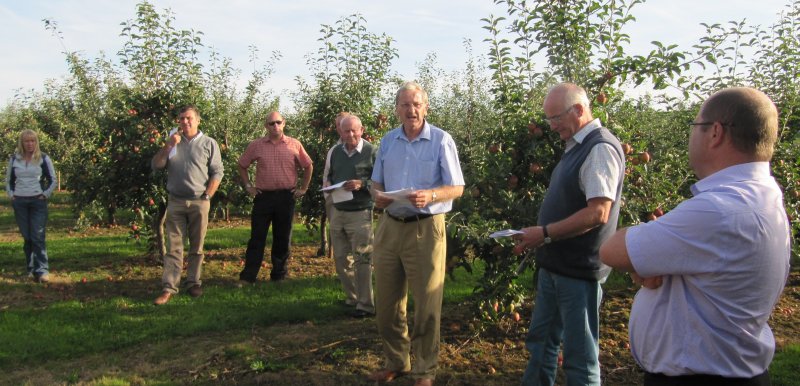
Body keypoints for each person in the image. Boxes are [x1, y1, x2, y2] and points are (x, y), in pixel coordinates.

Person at [599, 87, 790, 386]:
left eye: (695, 126)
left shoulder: (719, 209)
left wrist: (641, 262)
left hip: (702, 378)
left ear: (715, 133)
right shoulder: (764, 195)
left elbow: (611, 250)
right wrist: (648, 263)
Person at [512, 83, 625, 386]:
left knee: (579, 358)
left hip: (578, 270)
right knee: (541, 345)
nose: (551, 126)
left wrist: (545, 233)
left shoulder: (599, 148)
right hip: (555, 265)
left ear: (578, 110)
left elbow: (597, 213)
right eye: (549, 119)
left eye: (556, 118)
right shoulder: (576, 146)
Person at [368, 81, 465, 386]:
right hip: (390, 225)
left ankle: (425, 370)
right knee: (386, 304)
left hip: (425, 228)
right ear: (396, 109)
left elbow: (457, 187)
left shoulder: (440, 140)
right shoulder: (388, 141)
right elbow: (376, 183)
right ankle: (398, 361)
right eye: (405, 105)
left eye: (416, 104)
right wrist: (378, 196)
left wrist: (432, 196)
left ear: (426, 107)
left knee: (427, 305)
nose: (411, 110)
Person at [151, 105, 223, 305]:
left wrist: (208, 195)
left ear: (198, 120)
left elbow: (217, 171)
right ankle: (169, 287)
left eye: (189, 118)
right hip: (175, 201)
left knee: (197, 246)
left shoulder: (209, 143)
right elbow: (156, 165)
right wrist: (167, 146)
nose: (185, 122)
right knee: (174, 247)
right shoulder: (173, 141)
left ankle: (193, 282)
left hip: (200, 200)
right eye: (181, 119)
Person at [238, 111, 313, 283]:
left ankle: (279, 275)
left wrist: (303, 188)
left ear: (284, 123)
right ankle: (249, 276)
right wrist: (249, 186)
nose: (275, 126)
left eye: (278, 122)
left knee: (283, 237)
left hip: (286, 197)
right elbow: (242, 165)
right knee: (257, 237)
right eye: (271, 123)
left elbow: (308, 166)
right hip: (263, 197)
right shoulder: (256, 145)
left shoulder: (294, 144)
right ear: (266, 126)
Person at [323, 114, 377, 318]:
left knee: (362, 258)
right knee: (340, 258)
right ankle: (352, 297)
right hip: (338, 210)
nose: (351, 134)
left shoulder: (372, 152)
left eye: (354, 130)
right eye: (346, 131)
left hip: (361, 212)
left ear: (362, 130)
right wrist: (328, 185)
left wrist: (362, 184)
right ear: (341, 132)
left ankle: (365, 305)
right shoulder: (336, 152)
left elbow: (383, 181)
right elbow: (329, 176)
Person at [5, 129, 57, 283]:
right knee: (27, 237)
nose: (30, 144)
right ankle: (31, 269)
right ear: (22, 143)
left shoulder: (43, 158)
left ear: (36, 142)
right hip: (20, 202)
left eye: (33, 141)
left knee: (38, 236)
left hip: (37, 201)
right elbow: (8, 180)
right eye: (27, 141)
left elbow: (53, 180)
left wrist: (45, 194)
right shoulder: (15, 159)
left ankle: (42, 271)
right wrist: (11, 195)